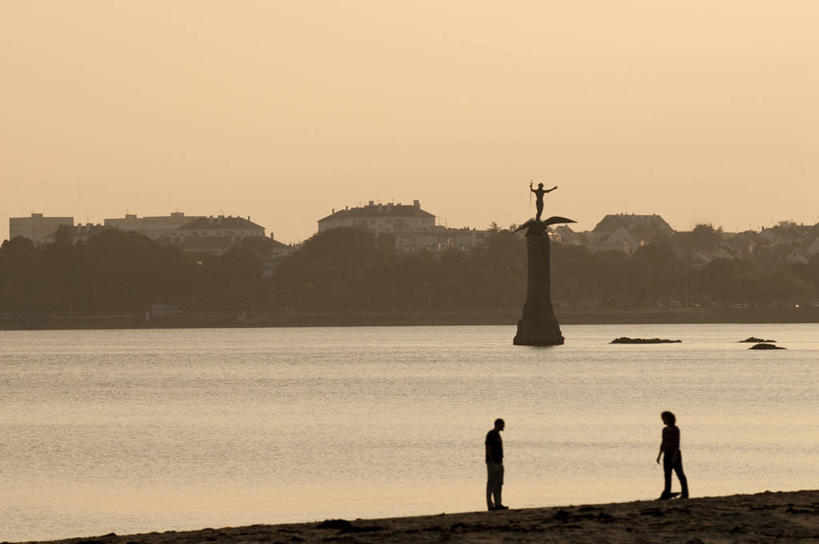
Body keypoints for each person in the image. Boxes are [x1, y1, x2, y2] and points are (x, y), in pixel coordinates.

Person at [656, 411, 689, 500]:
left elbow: (677, 444)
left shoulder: (675, 429)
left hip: (674, 453)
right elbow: (663, 443)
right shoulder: (664, 430)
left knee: (680, 474)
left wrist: (675, 455)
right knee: (667, 475)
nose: (663, 421)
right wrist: (659, 455)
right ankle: (667, 492)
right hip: (666, 453)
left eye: (664, 419)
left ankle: (685, 493)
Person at [485, 418, 508, 511]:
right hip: (493, 462)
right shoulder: (491, 434)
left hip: (499, 461)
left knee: (499, 483)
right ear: (498, 424)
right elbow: (488, 447)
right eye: (502, 424)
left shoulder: (497, 434)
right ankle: (490, 504)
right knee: (491, 483)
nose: (504, 426)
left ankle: (498, 503)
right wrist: (491, 461)